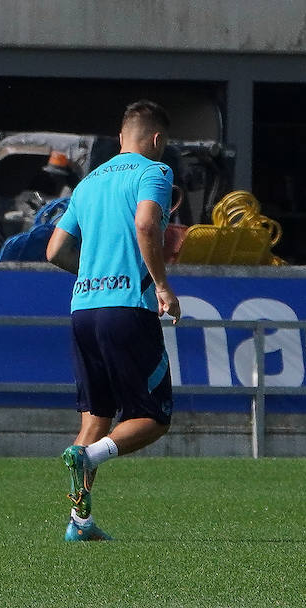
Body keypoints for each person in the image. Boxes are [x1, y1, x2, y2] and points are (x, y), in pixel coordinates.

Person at [45, 100, 180, 541]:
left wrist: (93, 274)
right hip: (127, 309)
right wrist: (161, 285)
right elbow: (146, 223)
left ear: (120, 137)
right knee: (153, 416)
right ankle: (92, 457)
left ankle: (79, 523)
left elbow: (54, 251)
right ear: (157, 140)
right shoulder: (154, 172)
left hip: (83, 309)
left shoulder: (87, 184)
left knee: (96, 415)